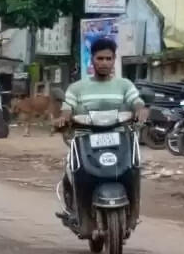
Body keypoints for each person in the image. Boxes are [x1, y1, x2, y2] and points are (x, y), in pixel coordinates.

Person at [54, 37, 147, 226]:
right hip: (85, 138)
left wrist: (140, 110)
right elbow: (67, 108)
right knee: (73, 171)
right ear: (92, 60)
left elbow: (136, 102)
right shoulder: (77, 88)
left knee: (133, 169)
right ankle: (75, 210)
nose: (104, 63)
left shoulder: (124, 85)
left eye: (108, 58)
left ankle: (133, 212)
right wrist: (64, 118)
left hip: (121, 138)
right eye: (100, 58)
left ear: (114, 60)